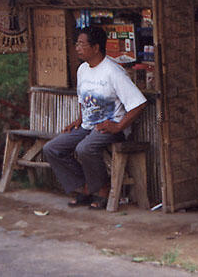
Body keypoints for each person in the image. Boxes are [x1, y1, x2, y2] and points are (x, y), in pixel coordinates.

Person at [43, 26, 147, 209]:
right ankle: (83, 188)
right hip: (88, 125)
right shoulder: (83, 69)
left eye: (82, 44)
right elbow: (84, 99)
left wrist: (118, 126)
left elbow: (138, 103)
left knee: (85, 148)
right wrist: (79, 119)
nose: (77, 48)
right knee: (52, 148)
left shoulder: (113, 72)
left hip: (111, 127)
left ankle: (102, 189)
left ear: (96, 47)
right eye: (77, 44)